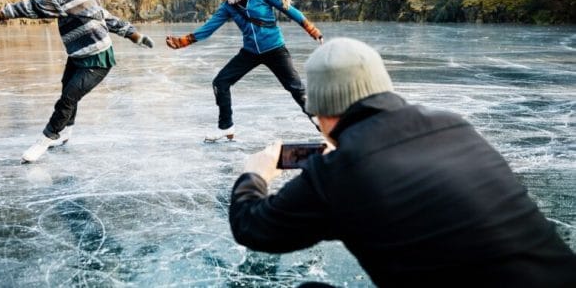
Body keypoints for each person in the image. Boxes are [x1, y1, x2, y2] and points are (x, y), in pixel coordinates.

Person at [229, 37, 576, 287]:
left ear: (324, 112)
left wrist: (257, 171)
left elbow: (252, 227)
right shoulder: (454, 125)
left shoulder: (340, 171)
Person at [0, 0, 154, 163]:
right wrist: (134, 36)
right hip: (77, 56)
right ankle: (66, 132)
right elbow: (107, 18)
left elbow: (28, 7)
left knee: (67, 98)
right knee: (68, 91)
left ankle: (44, 140)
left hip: (97, 59)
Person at [165, 0, 324, 142]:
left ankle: (322, 125)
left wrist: (311, 29)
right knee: (220, 83)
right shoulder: (229, 5)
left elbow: (289, 10)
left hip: (274, 49)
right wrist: (184, 41)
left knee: (296, 89)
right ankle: (226, 128)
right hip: (250, 52)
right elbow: (210, 27)